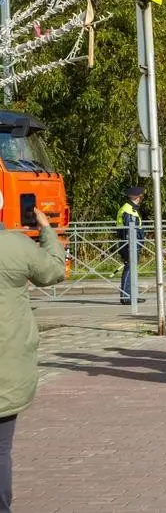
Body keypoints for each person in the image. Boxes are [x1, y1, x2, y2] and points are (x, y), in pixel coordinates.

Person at [0, 191, 65, 513]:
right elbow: (53, 270)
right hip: (6, 365)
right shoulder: (14, 245)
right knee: (0, 450)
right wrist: (45, 228)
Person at [116, 186, 146, 305]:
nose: (141, 198)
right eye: (140, 196)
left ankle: (131, 295)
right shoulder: (129, 210)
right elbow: (131, 230)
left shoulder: (129, 208)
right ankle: (127, 297)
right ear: (137, 197)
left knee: (131, 269)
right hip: (130, 243)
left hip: (130, 243)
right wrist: (133, 244)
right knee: (130, 269)